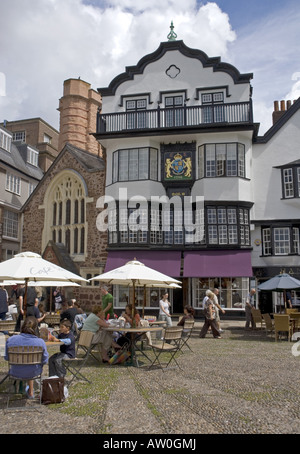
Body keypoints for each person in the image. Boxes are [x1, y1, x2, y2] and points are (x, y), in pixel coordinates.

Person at [4, 317, 48, 399]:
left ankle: (26, 390)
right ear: (36, 328)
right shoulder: (40, 342)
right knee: (30, 366)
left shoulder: (11, 340)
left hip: (15, 372)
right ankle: (31, 391)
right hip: (34, 372)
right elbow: (45, 360)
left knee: (25, 366)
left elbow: (6, 358)